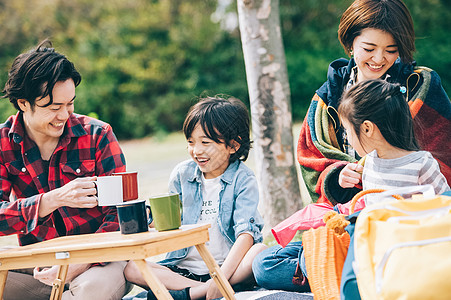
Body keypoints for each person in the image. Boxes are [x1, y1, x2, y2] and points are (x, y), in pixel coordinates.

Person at [253, 0, 451, 292]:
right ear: (350, 43)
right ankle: (346, 269)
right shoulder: (330, 95)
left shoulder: (419, 84)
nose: (379, 59)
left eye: (391, 50)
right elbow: (312, 158)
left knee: (282, 265)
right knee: (264, 263)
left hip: (407, 228)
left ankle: (340, 271)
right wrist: (337, 175)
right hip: (351, 221)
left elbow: (442, 156)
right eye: (369, 49)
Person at [0, 40, 129, 299]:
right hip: (40, 264)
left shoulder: (98, 135)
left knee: (90, 291)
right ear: (23, 103)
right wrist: (51, 200)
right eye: (54, 107)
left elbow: (121, 215)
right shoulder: (2, 144)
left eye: (70, 103)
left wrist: (76, 265)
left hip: (98, 261)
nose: (65, 115)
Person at [124, 96, 266, 300]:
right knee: (132, 269)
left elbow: (246, 234)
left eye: (205, 142)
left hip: (227, 268)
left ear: (233, 146)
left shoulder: (243, 179)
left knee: (258, 251)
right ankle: (202, 291)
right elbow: (170, 223)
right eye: (190, 142)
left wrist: (221, 276)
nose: (196, 151)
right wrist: (148, 217)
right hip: (182, 269)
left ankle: (192, 293)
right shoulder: (182, 174)